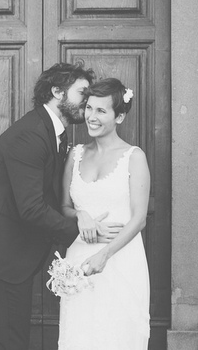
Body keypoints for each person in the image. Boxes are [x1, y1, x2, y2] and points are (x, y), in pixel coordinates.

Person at [0, 62, 124, 350]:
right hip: (1, 253)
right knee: (10, 341)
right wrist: (81, 228)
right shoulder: (31, 135)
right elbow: (32, 208)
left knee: (15, 337)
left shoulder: (54, 132)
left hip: (15, 251)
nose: (87, 102)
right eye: (81, 93)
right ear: (57, 91)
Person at [58, 78, 151, 349]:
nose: (91, 117)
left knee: (118, 334)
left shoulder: (134, 157)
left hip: (120, 258)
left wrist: (105, 254)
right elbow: (63, 206)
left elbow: (139, 218)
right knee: (80, 335)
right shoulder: (74, 155)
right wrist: (80, 216)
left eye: (101, 111)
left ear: (119, 116)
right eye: (89, 108)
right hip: (79, 258)